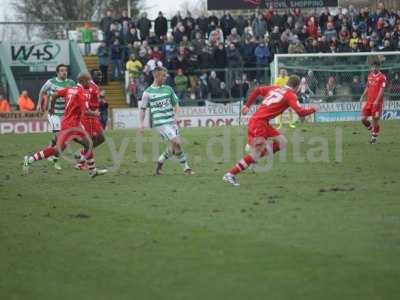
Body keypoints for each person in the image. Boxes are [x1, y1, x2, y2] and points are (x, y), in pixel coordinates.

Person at [223, 75, 316, 186]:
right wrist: (314, 109)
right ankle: (230, 174)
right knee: (255, 154)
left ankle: (253, 156)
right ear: (296, 86)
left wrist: (247, 105)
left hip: (263, 122)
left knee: (282, 142)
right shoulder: (290, 95)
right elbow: (300, 112)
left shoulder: (276, 88)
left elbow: (257, 90)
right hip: (259, 123)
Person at [23, 72, 107, 178]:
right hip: (70, 126)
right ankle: (29, 160)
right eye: (89, 81)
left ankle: (92, 171)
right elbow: (85, 111)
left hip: (74, 124)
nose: (90, 83)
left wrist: (51, 108)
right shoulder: (80, 93)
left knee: (88, 144)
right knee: (57, 149)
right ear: (83, 81)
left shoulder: (70, 89)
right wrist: (95, 113)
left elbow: (54, 95)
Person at [139, 66, 193, 175]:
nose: (165, 78)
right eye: (163, 76)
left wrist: (177, 116)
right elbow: (143, 109)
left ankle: (160, 162)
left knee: (174, 147)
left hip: (171, 121)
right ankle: (186, 169)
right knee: (177, 142)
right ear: (156, 75)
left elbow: (176, 104)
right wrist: (141, 124)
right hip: (160, 123)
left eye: (166, 75)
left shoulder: (169, 89)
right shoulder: (147, 93)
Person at [37, 64, 76, 170]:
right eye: (62, 70)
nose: (64, 72)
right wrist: (38, 104)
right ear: (57, 72)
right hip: (53, 113)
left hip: (66, 114)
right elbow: (42, 92)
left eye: (66, 70)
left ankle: (50, 150)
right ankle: (55, 159)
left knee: (59, 137)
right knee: (61, 137)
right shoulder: (51, 82)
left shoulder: (71, 83)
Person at [360, 61, 386, 144]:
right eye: (373, 67)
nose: (374, 68)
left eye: (376, 67)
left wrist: (377, 100)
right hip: (369, 102)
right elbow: (368, 86)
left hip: (377, 104)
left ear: (379, 67)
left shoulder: (382, 77)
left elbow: (382, 90)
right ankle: (373, 131)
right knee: (363, 119)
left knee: (375, 121)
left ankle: (374, 138)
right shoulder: (370, 76)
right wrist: (363, 95)